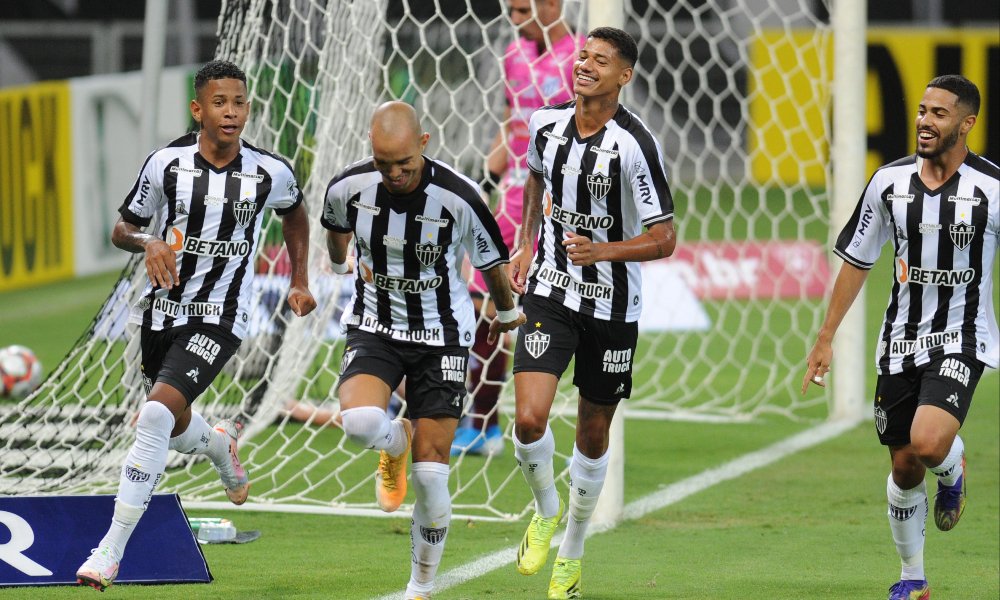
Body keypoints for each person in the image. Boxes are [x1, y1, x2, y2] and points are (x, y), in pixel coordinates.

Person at [76, 60, 317, 591]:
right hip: (161, 314)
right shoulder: (166, 164)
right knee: (177, 429)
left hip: (221, 317)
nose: (230, 113)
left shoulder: (268, 171)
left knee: (155, 414)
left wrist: (300, 278)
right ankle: (219, 446)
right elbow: (123, 227)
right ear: (198, 109)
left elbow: (295, 213)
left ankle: (109, 553)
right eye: (219, 103)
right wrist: (149, 242)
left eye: (238, 103)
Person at [802, 75, 998, 600]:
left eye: (938, 113)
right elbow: (856, 260)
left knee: (929, 443)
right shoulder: (889, 183)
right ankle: (913, 578)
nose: (924, 122)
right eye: (921, 111)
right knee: (904, 464)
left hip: (963, 337)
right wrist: (826, 337)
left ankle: (953, 465)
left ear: (967, 123)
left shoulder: (991, 189)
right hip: (900, 342)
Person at [321, 101, 525, 600]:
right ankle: (394, 444)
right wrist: (341, 263)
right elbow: (334, 228)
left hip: (442, 336)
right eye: (383, 163)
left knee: (432, 478)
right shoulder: (348, 188)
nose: (394, 174)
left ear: (425, 143)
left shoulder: (460, 197)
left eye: (405, 164)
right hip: (376, 326)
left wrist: (505, 316)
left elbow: (492, 264)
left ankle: (420, 587)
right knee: (360, 425)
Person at [506, 27, 676, 600]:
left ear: (623, 76)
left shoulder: (635, 145)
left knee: (592, 427)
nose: (585, 65)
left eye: (601, 61)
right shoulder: (546, 124)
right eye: (583, 55)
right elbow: (535, 175)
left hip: (612, 303)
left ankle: (573, 548)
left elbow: (665, 238)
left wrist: (603, 249)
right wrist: (527, 241)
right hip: (550, 289)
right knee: (529, 417)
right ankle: (546, 509)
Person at [454, 0, 585, 457]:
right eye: (509, 9)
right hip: (512, 199)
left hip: (558, 206)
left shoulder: (582, 56)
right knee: (480, 303)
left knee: (541, 312)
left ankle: (536, 421)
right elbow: (509, 128)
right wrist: (484, 187)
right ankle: (483, 424)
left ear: (552, 4)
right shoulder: (514, 55)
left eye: (521, 8)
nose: (513, 18)